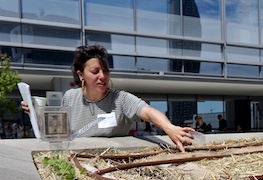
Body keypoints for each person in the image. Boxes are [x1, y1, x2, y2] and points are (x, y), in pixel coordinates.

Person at [22, 45, 195, 152]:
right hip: (76, 158)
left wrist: (169, 128)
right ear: (81, 75)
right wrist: (36, 113)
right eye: (95, 72)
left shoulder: (120, 99)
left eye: (105, 71)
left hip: (113, 161)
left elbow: (148, 112)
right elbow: (58, 132)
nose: (102, 76)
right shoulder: (70, 97)